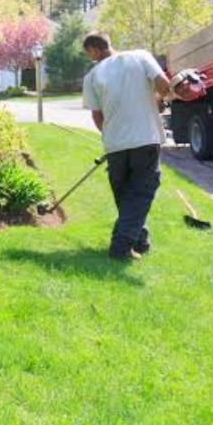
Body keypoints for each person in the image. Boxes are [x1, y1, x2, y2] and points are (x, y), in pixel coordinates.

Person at [81, 31, 172, 261]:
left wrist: (112, 134)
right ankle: (120, 248)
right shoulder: (141, 56)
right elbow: (164, 86)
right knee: (139, 193)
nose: (89, 57)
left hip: (115, 144)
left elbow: (97, 117)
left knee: (126, 196)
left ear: (94, 50)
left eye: (87, 53)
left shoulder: (91, 76)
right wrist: (161, 99)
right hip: (145, 138)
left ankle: (140, 241)